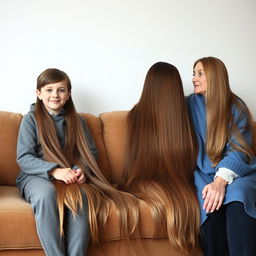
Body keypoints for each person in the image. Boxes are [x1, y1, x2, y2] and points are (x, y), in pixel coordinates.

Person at [16, 68, 137, 256]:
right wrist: (55, 171)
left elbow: (90, 152)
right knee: (46, 194)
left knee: (81, 197)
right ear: (38, 93)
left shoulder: (77, 121)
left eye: (61, 90)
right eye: (49, 90)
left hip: (70, 176)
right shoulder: (30, 120)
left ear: (68, 94)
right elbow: (24, 158)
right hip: (36, 176)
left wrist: (80, 170)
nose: (55, 95)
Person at [120, 62, 200, 254]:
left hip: (142, 180)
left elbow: (132, 161)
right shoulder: (186, 117)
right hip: (179, 182)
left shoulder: (135, 115)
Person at [187, 56, 256, 256]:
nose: (194, 78)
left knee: (238, 200)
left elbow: (240, 151)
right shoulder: (188, 105)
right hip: (203, 176)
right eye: (194, 74)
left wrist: (221, 181)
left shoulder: (236, 106)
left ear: (214, 77)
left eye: (200, 73)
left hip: (238, 173)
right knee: (210, 211)